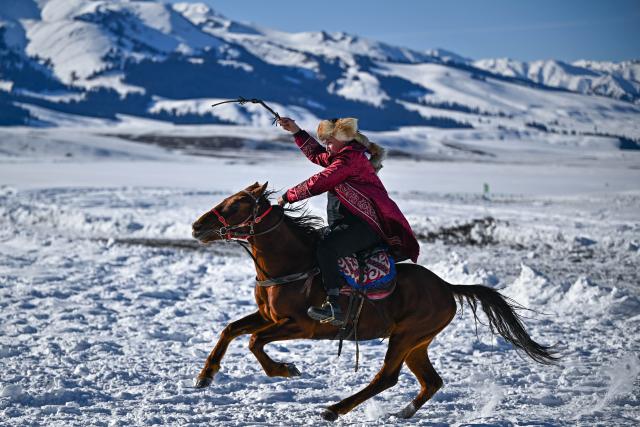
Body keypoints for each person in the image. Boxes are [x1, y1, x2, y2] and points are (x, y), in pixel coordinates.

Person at [277, 117, 419, 326]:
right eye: (325, 141)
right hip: (347, 224)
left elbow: (320, 182)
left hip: (364, 226)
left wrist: (288, 196)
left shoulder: (349, 159)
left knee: (327, 249)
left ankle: (335, 305)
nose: (326, 145)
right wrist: (296, 131)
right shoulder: (341, 155)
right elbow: (317, 155)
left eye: (329, 141)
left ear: (343, 139)